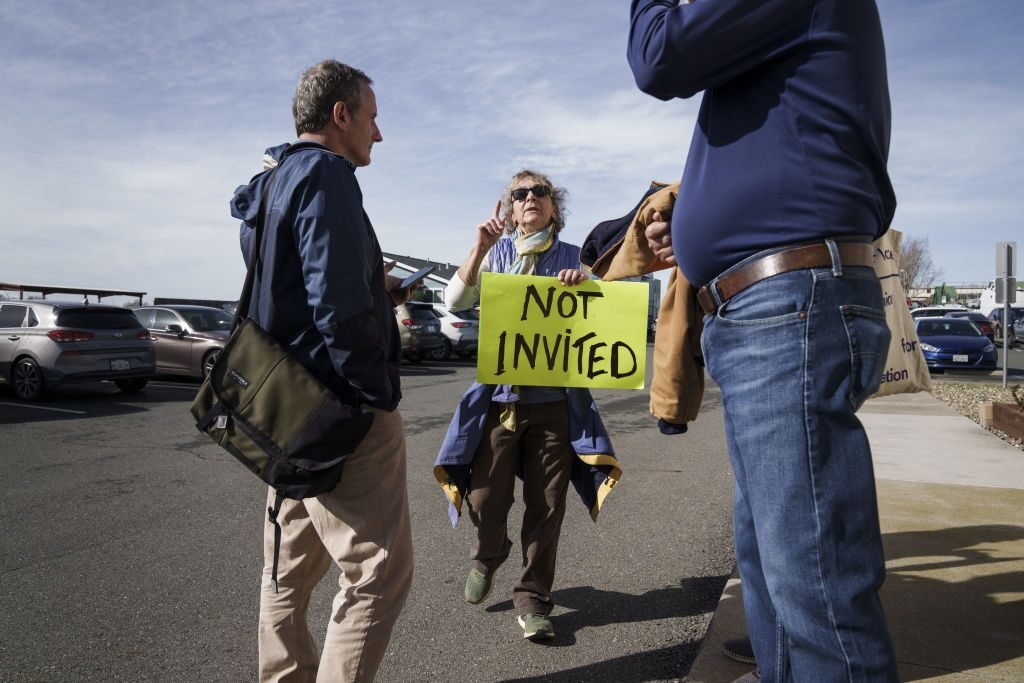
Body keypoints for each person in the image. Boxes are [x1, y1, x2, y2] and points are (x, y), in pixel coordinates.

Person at [629, 2, 900, 682]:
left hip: (790, 308)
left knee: (816, 593)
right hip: (772, 306)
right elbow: (784, 137)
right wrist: (694, 214)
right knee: (775, 577)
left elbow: (660, 56)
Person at [229, 59, 413, 682]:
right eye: (371, 117)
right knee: (377, 574)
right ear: (341, 115)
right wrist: (373, 395)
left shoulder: (273, 180)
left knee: (286, 573)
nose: (377, 135)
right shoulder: (329, 175)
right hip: (333, 409)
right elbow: (335, 309)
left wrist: (372, 284)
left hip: (281, 407)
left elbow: (290, 286)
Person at [433, 170, 621, 642]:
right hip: (501, 399)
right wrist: (477, 246)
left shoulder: (574, 257)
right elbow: (454, 301)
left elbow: (603, 313)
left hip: (555, 402)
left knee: (547, 505)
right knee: (485, 498)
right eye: (520, 194)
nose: (531, 198)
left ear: (553, 207)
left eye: (540, 192)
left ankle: (533, 598)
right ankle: (489, 551)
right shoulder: (495, 254)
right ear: (511, 209)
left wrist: (586, 286)